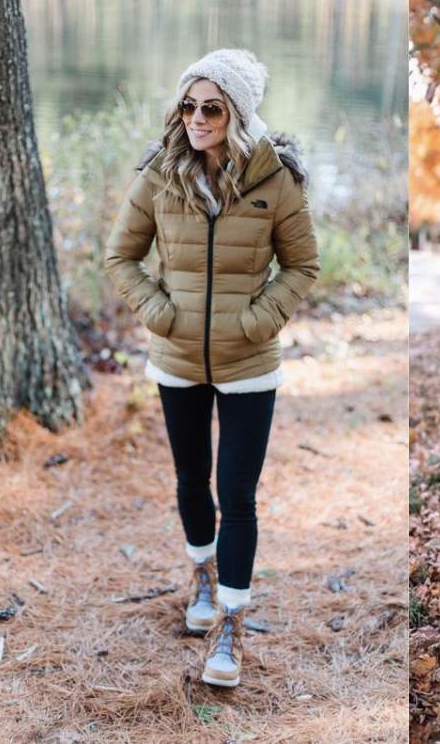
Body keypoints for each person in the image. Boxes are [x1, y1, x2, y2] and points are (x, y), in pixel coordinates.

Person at [105, 48, 319, 687]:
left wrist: (256, 320)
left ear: (238, 114)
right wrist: (160, 312)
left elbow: (303, 267)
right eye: (189, 105)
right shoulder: (160, 176)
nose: (196, 118)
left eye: (212, 108)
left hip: (250, 362)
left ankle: (231, 620)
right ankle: (201, 575)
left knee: (238, 495)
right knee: (190, 478)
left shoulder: (274, 181)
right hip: (176, 359)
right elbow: (121, 258)